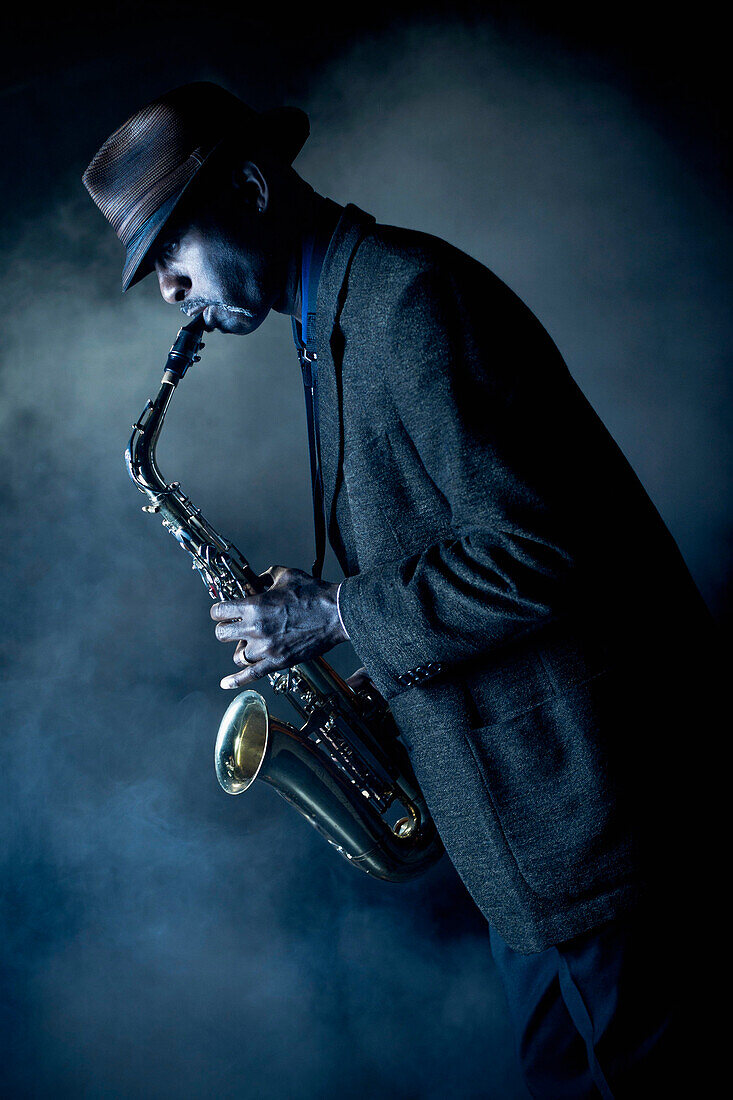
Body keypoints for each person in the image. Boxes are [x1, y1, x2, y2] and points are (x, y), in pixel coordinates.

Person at [83, 82, 717, 1096]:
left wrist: (334, 610)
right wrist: (337, 624)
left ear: (250, 186)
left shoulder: (409, 300)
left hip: (596, 839)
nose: (167, 289)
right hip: (531, 861)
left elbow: (546, 550)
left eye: (171, 251)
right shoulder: (327, 321)